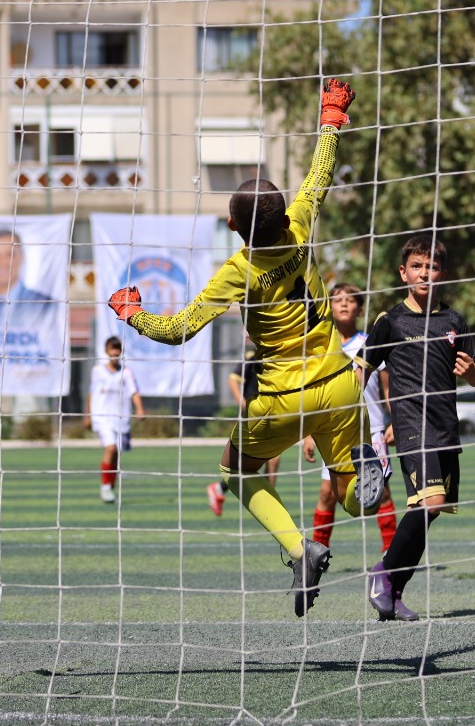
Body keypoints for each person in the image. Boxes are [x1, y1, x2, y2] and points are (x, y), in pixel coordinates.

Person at [108, 78, 362, 617]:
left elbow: (178, 329)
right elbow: (319, 175)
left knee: (234, 471)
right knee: (350, 492)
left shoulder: (237, 270)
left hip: (284, 393)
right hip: (341, 379)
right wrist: (332, 116)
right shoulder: (299, 226)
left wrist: (134, 313)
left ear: (233, 226)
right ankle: (369, 479)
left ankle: (300, 548)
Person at [360, 236, 475, 621]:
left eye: (431, 267)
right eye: (417, 266)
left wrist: (472, 373)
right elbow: (360, 371)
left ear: (442, 274)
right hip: (412, 425)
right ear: (404, 272)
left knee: (430, 511)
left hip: (446, 428)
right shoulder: (390, 321)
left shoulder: (454, 321)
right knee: (428, 503)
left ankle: (392, 592)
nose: (424, 273)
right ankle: (381, 574)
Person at [303, 283, 399, 558]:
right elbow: (314, 395)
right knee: (327, 493)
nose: (344, 304)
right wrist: (309, 433)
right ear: (329, 307)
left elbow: (388, 390)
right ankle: (318, 553)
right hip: (333, 431)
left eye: (350, 300)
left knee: (381, 492)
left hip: (373, 429)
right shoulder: (321, 346)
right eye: (337, 300)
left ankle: (390, 552)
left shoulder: (371, 342)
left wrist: (395, 421)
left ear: (359, 307)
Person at [210, 340, 277, 515]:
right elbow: (232, 380)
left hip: (271, 414)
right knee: (269, 459)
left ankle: (219, 488)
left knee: (262, 461)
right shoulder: (252, 357)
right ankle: (269, 507)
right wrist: (243, 403)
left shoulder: (278, 355)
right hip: (255, 415)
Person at [85, 336, 146, 504]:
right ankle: (105, 487)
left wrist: (139, 408)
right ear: (106, 351)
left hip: (121, 419)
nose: (115, 352)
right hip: (101, 418)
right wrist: (88, 415)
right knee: (111, 449)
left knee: (116, 454)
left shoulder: (126, 373)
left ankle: (110, 487)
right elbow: (90, 394)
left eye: (118, 348)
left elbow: (134, 392)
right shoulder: (97, 371)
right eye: (112, 348)